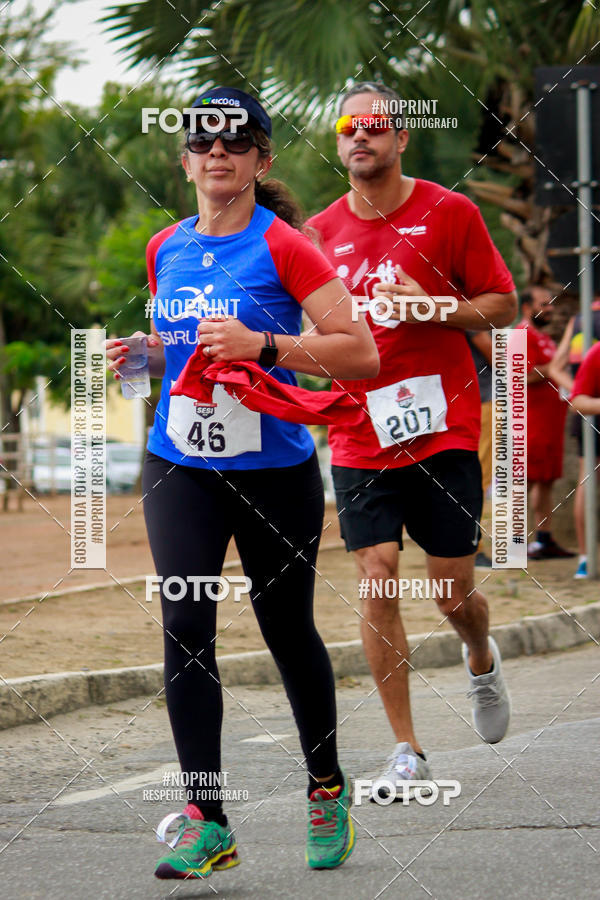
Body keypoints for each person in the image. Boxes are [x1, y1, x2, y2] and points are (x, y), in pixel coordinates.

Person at [106, 87, 379, 878]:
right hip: (181, 460)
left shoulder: (288, 245)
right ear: (184, 159)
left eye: (235, 142)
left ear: (262, 159)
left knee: (286, 629)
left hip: (273, 469)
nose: (216, 153)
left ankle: (326, 788)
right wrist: (150, 356)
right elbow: (183, 350)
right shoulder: (166, 247)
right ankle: (208, 818)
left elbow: (357, 354)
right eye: (202, 142)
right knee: (186, 628)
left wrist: (263, 342)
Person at [305, 81, 516, 799]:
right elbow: (307, 331)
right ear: (339, 144)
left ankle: (480, 656)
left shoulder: (449, 212)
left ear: (401, 140)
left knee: (452, 596)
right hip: (360, 434)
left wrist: (424, 305)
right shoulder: (319, 233)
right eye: (347, 128)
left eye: (374, 127)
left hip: (442, 429)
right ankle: (407, 748)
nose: (359, 137)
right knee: (377, 573)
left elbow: (502, 302)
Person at [516, 287, 575, 560]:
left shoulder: (545, 339)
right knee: (525, 481)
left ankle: (543, 539)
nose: (550, 309)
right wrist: (550, 369)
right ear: (527, 307)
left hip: (551, 422)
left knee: (546, 481)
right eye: (544, 304)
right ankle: (514, 543)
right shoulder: (520, 335)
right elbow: (521, 376)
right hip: (531, 423)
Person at [548, 297, 600, 577]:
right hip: (590, 408)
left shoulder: (580, 319)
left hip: (589, 408)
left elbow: (555, 368)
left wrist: (580, 389)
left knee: (586, 479)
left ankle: (585, 556)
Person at [466, 330, 494, 568]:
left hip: (475, 400)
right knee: (480, 477)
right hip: (483, 401)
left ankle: (472, 546)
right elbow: (499, 357)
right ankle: (475, 548)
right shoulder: (471, 312)